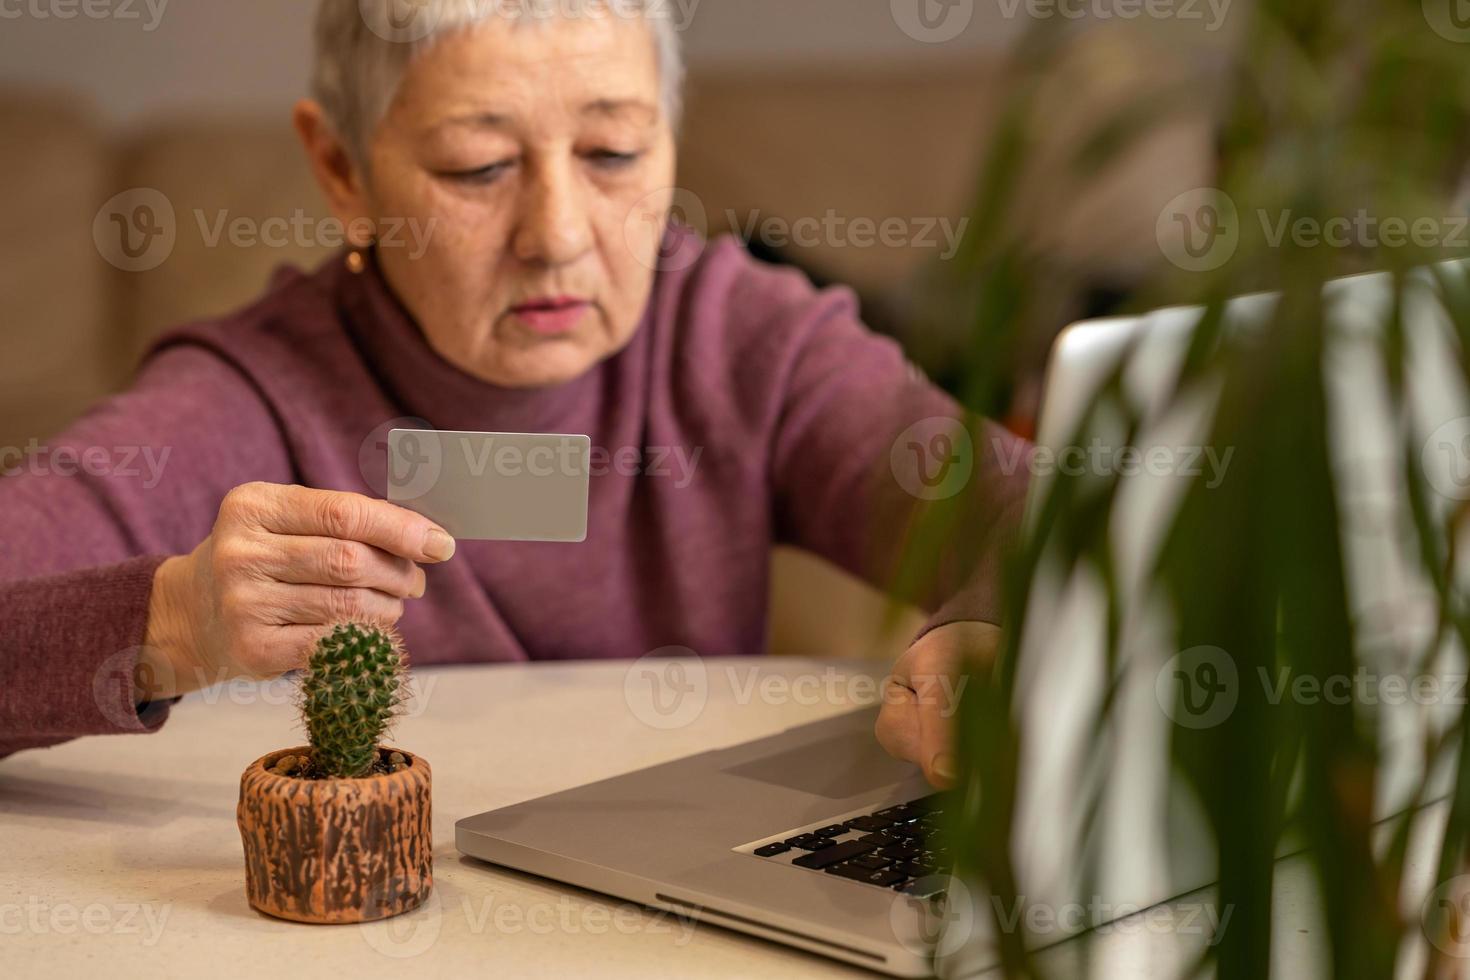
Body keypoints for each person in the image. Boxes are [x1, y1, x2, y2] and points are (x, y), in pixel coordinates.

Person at [0, 0, 1030, 788]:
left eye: (614, 153)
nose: (559, 235)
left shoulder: (739, 337)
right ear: (341, 169)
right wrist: (172, 619)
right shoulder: (246, 397)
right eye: (478, 166)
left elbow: (1044, 515)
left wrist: (986, 632)